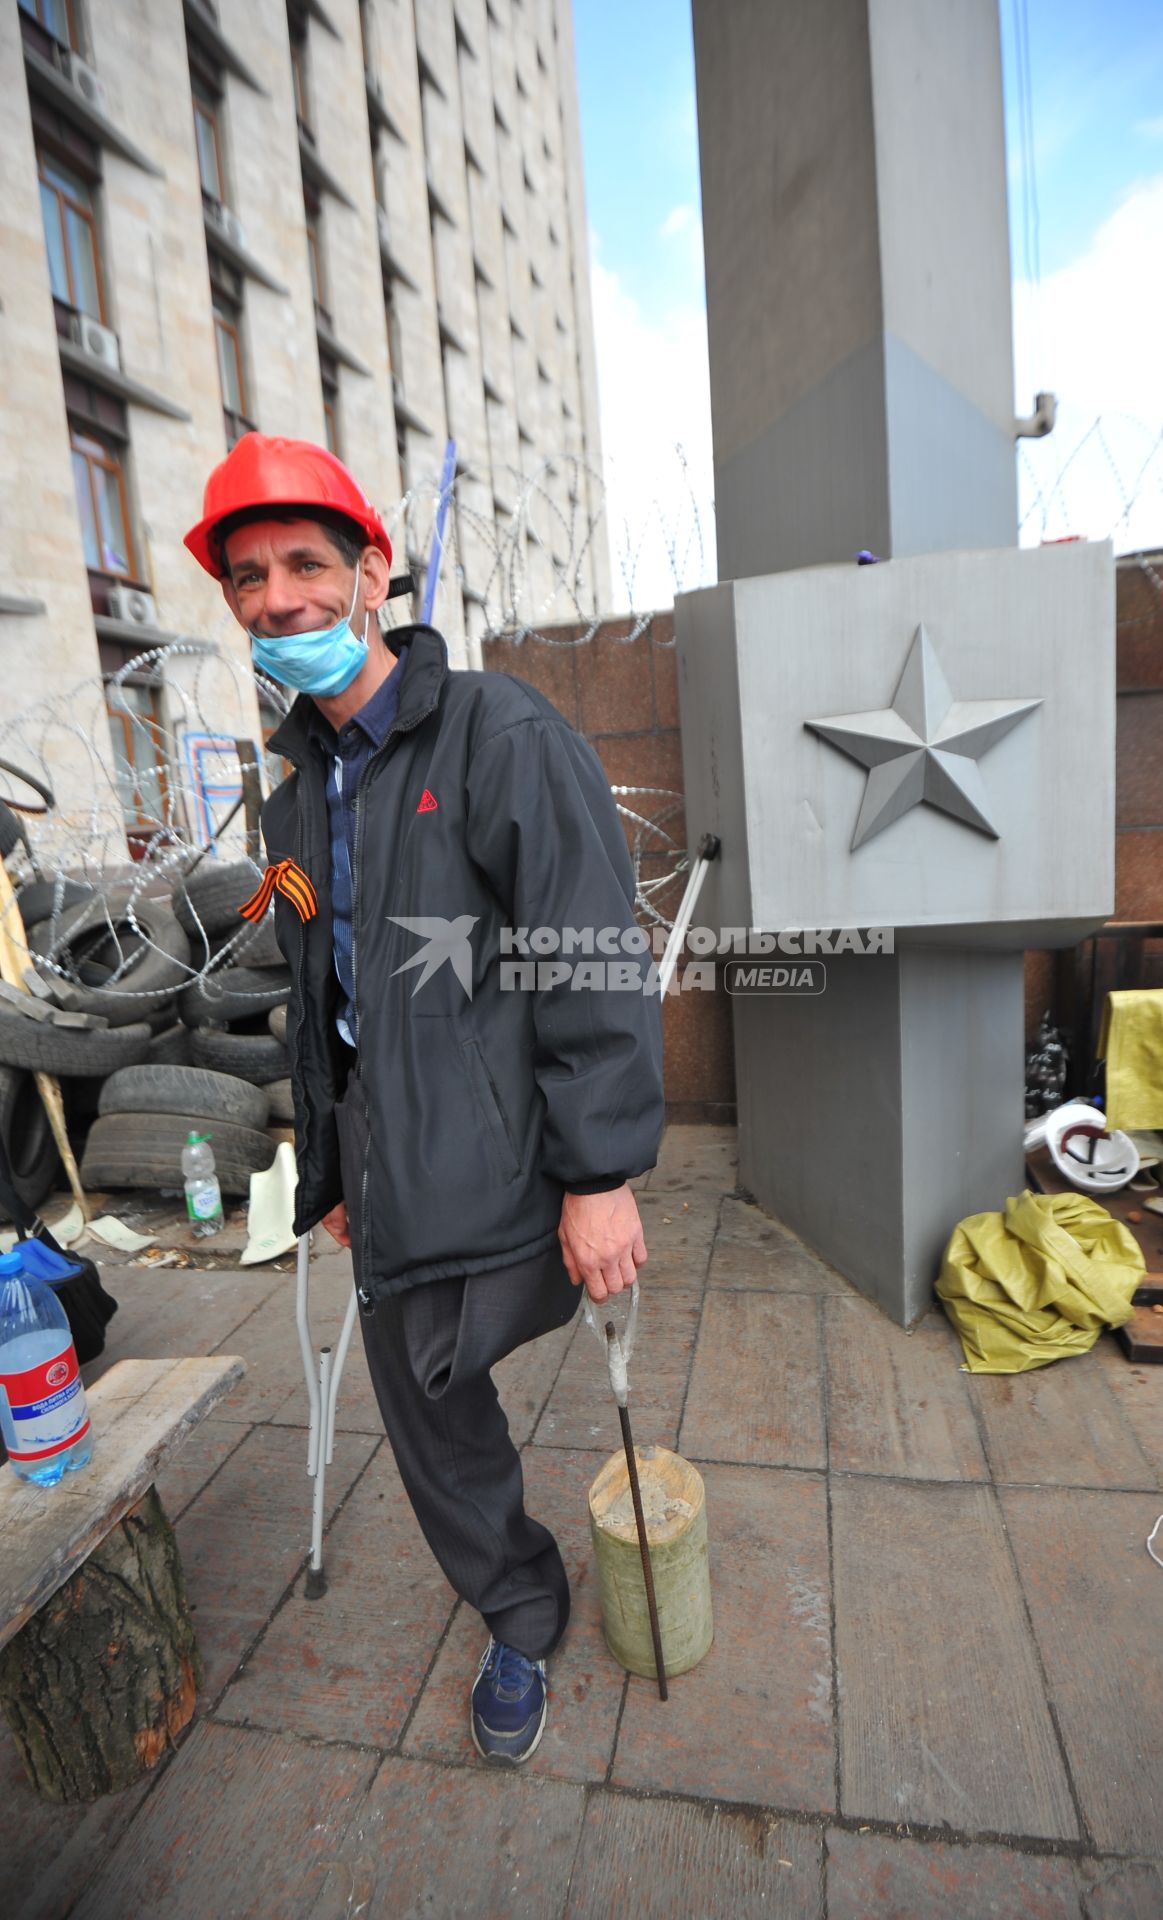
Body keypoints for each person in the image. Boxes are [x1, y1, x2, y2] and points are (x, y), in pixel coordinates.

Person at [184, 434, 664, 1765]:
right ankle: (520, 1606)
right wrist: (330, 1167)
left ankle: (526, 1529)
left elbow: (588, 957)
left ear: (370, 572)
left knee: (460, 1364)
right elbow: (317, 995)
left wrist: (601, 1173)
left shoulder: (501, 735)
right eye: (247, 577)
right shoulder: (289, 803)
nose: (277, 598)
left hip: (515, 1171)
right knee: (429, 1423)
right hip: (389, 1182)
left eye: (304, 565)